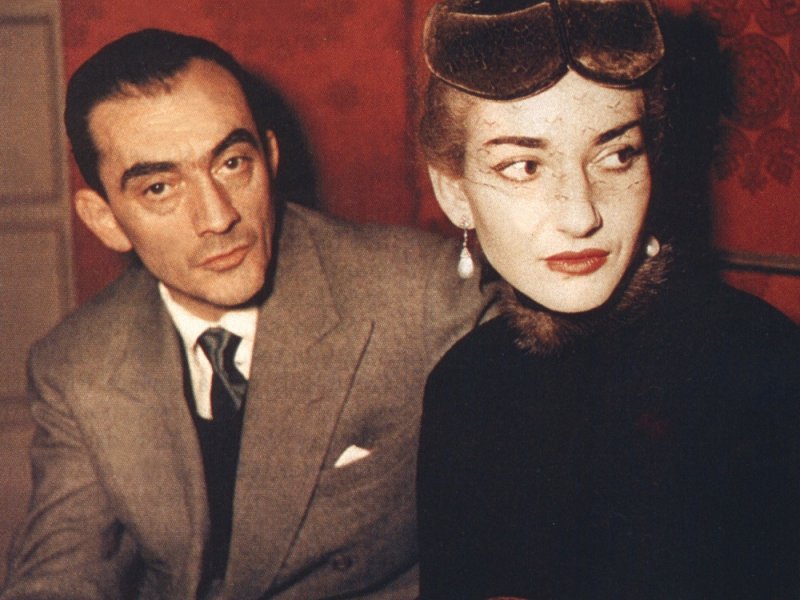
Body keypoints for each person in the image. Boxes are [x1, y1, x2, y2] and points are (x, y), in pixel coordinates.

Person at [1, 29, 497, 600]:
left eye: (233, 163)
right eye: (159, 187)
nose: (217, 218)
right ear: (105, 219)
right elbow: (62, 569)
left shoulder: (424, 292)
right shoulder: (76, 364)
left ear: (271, 157)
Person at [415, 1, 800, 598]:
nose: (581, 215)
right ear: (455, 192)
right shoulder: (463, 386)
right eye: (524, 166)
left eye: (617, 155)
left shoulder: (762, 367)